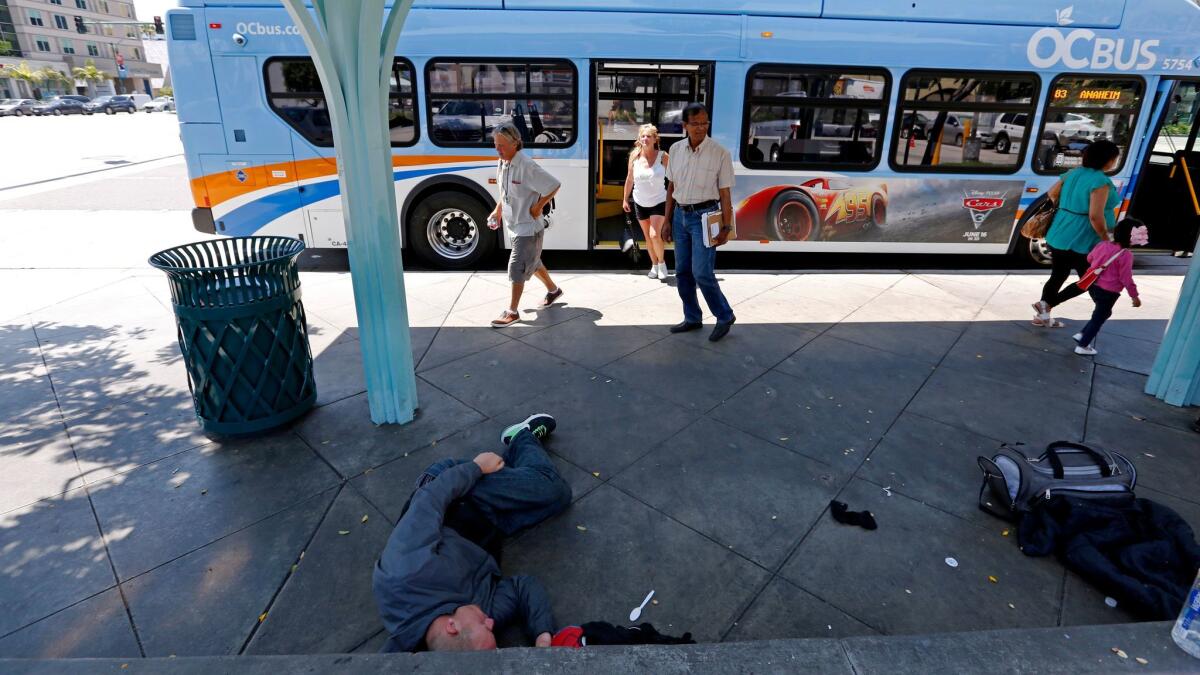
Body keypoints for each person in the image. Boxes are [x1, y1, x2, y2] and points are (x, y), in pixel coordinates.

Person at [373, 414, 571, 652]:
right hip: (484, 528)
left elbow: (430, 500)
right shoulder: (477, 621)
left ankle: (520, 436)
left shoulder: (404, 573)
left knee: (551, 487)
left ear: (452, 626)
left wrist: (476, 468)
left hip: (453, 496)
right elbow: (522, 588)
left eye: (486, 627)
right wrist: (542, 636)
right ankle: (511, 469)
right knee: (555, 500)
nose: (491, 622)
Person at [662, 102, 737, 342]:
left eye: (705, 123)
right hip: (679, 216)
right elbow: (671, 187)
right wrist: (666, 220)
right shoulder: (674, 150)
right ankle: (692, 317)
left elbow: (725, 194)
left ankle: (724, 315)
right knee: (682, 272)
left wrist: (727, 226)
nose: (701, 128)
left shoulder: (720, 153)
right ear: (685, 125)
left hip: (705, 217)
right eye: (696, 124)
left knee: (702, 272)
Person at [1031, 140, 1123, 327]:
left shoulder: (1073, 173)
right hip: (1082, 238)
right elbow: (1095, 217)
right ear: (1108, 160)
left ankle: (1043, 316)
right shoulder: (1100, 182)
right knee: (1089, 280)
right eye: (1114, 158)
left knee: (1058, 274)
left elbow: (1051, 193)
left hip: (1059, 231)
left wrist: (1070, 207)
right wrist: (1107, 240)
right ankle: (1050, 307)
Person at [487, 123, 563, 328]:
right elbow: (505, 193)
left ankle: (512, 312)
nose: (497, 149)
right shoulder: (502, 162)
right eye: (495, 144)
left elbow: (554, 184)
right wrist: (498, 210)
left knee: (517, 266)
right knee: (533, 261)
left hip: (528, 227)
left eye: (501, 145)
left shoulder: (527, 166)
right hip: (514, 223)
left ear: (515, 144)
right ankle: (554, 291)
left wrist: (538, 207)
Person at [1063, 219, 1145, 356]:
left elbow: (1089, 258)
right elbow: (1126, 278)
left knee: (1103, 313)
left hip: (1093, 285)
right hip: (1109, 292)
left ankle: (1082, 334)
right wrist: (1134, 296)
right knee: (1099, 318)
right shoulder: (1126, 255)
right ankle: (1083, 345)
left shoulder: (1102, 245)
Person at [622, 124, 670, 280]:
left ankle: (662, 264)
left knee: (655, 234)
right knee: (648, 238)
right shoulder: (634, 156)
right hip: (640, 201)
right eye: (643, 136)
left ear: (655, 139)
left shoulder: (663, 156)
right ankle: (654, 265)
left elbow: (674, 179)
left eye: (649, 136)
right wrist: (625, 199)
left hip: (659, 201)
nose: (645, 139)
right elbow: (629, 179)